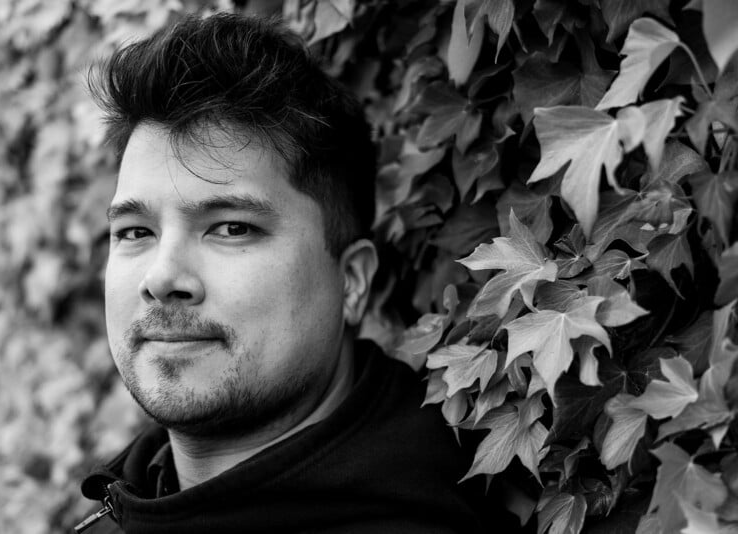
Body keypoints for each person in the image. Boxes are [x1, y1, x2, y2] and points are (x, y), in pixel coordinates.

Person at [76, 12, 496, 534]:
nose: (161, 278)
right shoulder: (129, 501)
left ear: (352, 281)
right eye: (136, 231)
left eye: (232, 228)